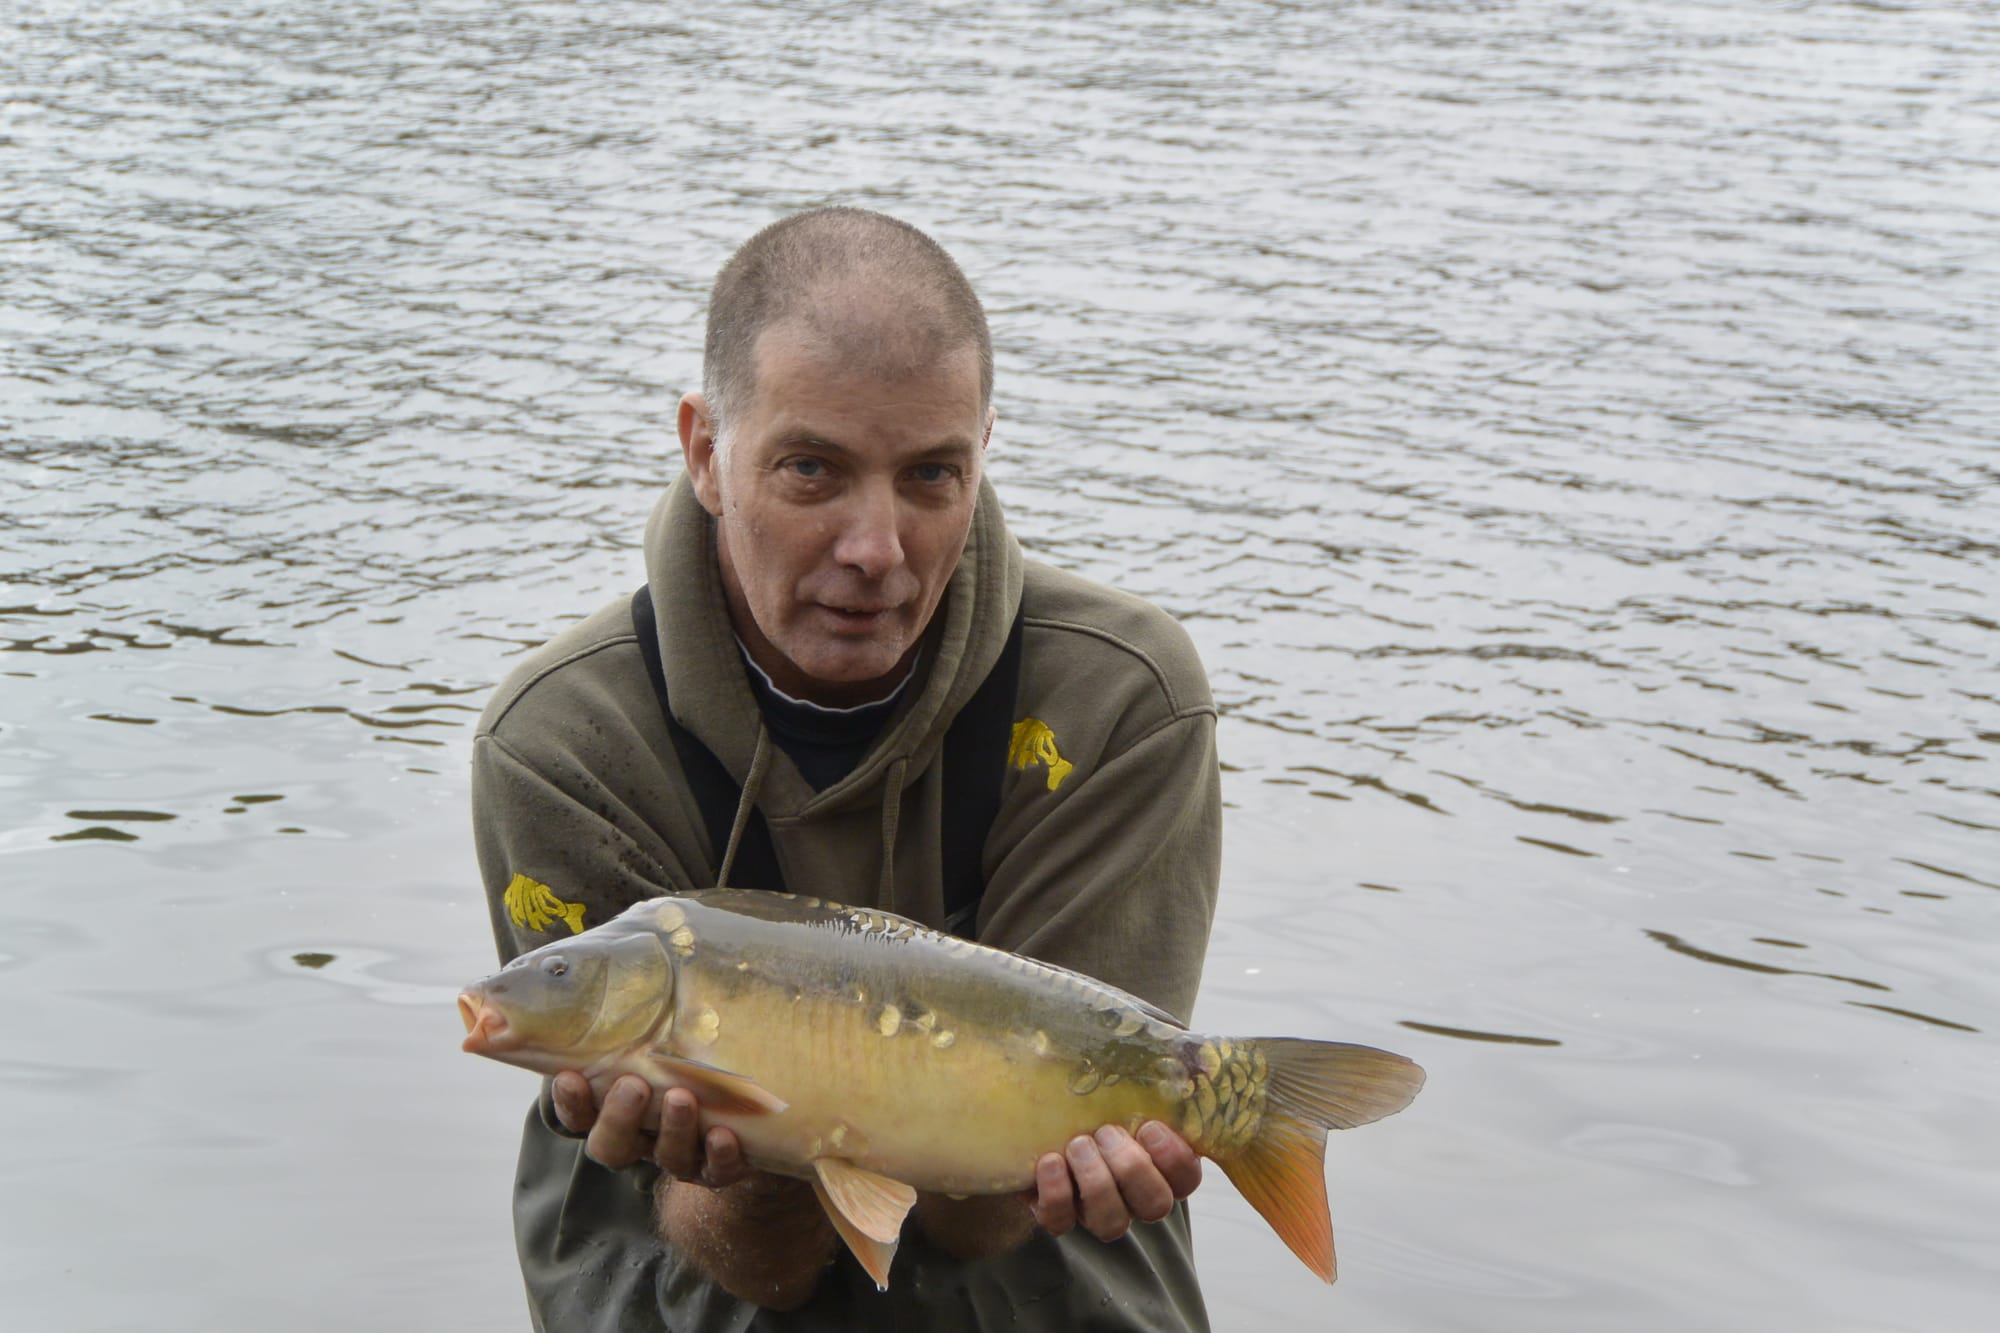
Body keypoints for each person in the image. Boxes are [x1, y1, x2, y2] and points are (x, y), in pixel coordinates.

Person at [471, 206, 1223, 1331]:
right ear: (705, 452)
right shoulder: (563, 743)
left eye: (930, 476)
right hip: (686, 1260)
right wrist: (773, 1144)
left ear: (980, 457)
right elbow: (735, 1256)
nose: (876, 548)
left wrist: (1017, 1159)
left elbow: (989, 1209)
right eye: (811, 468)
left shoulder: (1119, 698)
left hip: (1038, 1254)